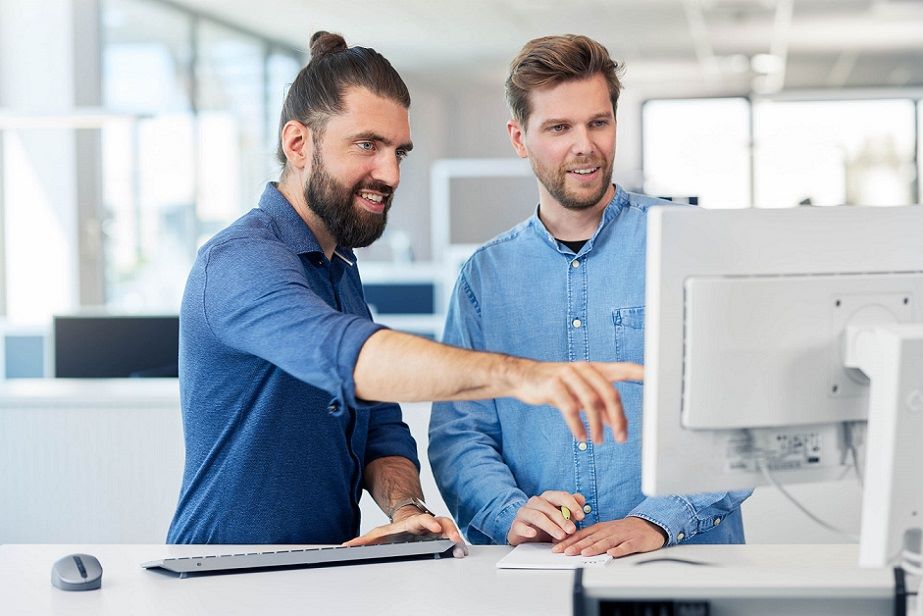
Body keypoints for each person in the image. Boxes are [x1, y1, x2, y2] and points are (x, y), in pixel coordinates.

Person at [167, 31, 643, 550]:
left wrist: (407, 509)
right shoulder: (240, 260)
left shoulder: (337, 266)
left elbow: (378, 427)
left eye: (399, 152)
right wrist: (523, 375)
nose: (390, 173)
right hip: (223, 572)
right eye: (367, 145)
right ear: (298, 143)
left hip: (321, 566)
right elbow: (347, 358)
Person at [428, 34, 751, 558]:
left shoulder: (691, 244)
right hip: (541, 570)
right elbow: (460, 434)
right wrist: (509, 510)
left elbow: (743, 413)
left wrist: (659, 522)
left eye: (598, 122)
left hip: (684, 560)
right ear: (519, 137)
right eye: (559, 128)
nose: (585, 145)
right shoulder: (484, 277)